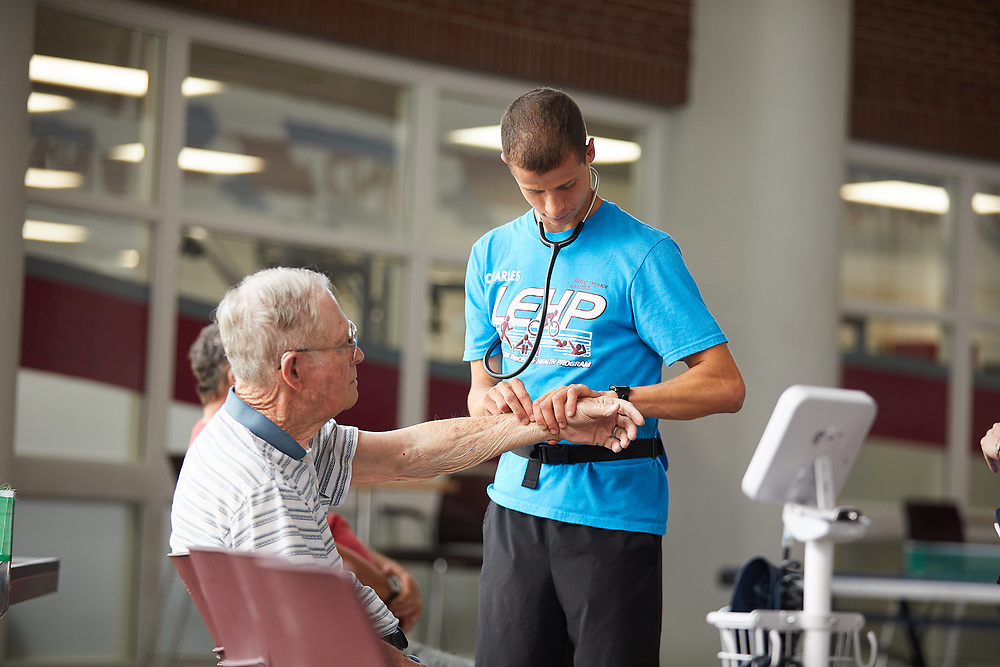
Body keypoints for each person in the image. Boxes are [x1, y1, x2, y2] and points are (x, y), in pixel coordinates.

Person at [170, 266, 643, 667]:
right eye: (344, 343)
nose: (358, 354)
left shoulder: (256, 434)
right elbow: (330, 658)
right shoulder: (263, 490)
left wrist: (550, 424)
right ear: (293, 371)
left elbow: (407, 453)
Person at [463, 88, 746, 666]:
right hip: (515, 505)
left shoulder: (643, 255)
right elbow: (478, 393)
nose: (551, 206)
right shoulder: (490, 254)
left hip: (611, 515)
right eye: (532, 190)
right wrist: (494, 401)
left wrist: (617, 397)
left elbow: (724, 385)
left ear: (590, 152)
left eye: (565, 184)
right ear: (507, 169)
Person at [187, 322, 425, 634]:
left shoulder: (225, 443)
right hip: (351, 622)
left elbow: (319, 530)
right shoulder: (246, 459)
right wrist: (390, 589)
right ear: (238, 377)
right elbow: (310, 550)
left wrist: (383, 566)